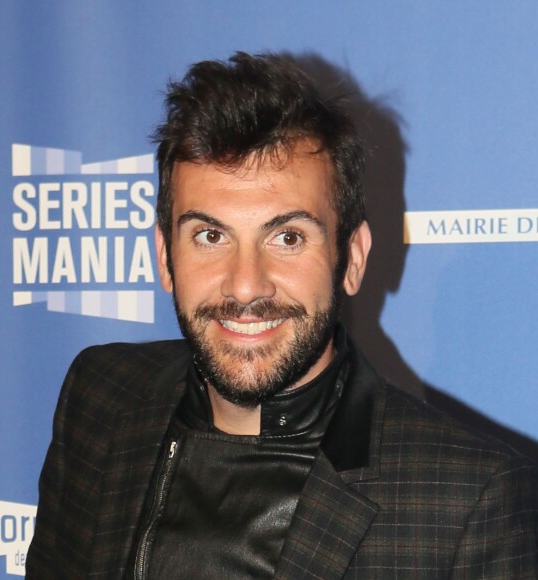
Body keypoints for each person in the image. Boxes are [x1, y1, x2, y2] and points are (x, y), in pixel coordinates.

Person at [26, 52, 538, 579]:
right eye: (210, 235)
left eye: (287, 237)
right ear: (164, 258)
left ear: (352, 259)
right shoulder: (100, 399)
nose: (246, 284)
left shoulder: (468, 500)